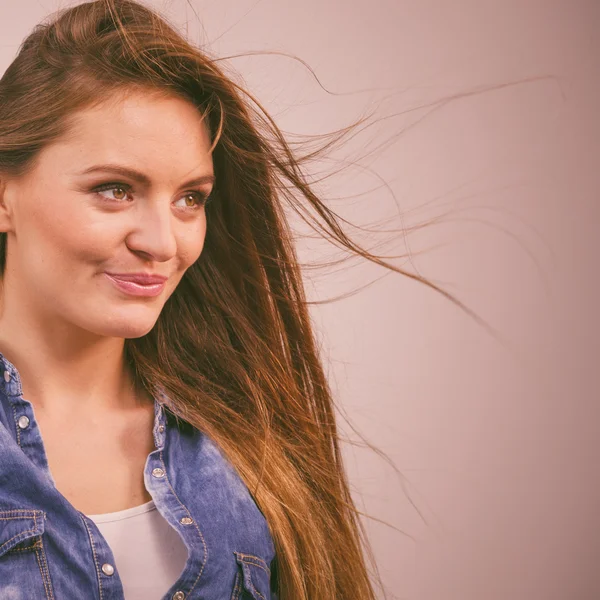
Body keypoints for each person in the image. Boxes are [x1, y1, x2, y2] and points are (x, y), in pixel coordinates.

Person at [0, 1, 474, 598]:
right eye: (115, 190)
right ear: (4, 195)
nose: (162, 242)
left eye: (190, 199)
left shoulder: (246, 441)